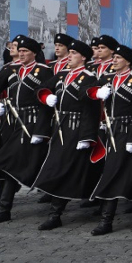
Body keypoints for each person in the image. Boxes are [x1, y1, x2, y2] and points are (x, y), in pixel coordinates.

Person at [31, 39, 103, 230]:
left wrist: (87, 136)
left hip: (76, 128)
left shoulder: (89, 77)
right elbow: (40, 88)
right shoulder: (62, 74)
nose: (69, 56)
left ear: (83, 57)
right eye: (69, 53)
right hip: (60, 127)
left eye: (73, 53)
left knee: (65, 168)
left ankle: (56, 213)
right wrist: (47, 96)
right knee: (61, 167)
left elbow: (91, 109)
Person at [0, 37, 54, 223]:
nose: (22, 53)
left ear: (34, 52)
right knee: (10, 163)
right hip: (14, 122)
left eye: (26, 51)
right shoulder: (11, 69)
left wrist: (42, 130)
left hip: (34, 123)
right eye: (20, 50)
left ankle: (5, 209)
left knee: (20, 164)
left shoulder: (43, 71)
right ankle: (4, 205)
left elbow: (49, 100)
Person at [89, 45, 132, 235]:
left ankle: (107, 220)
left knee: (115, 172)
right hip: (108, 131)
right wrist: (96, 93)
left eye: (118, 57)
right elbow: (87, 91)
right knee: (125, 172)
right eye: (113, 57)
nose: (114, 60)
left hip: (126, 131)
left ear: (128, 61)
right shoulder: (107, 78)